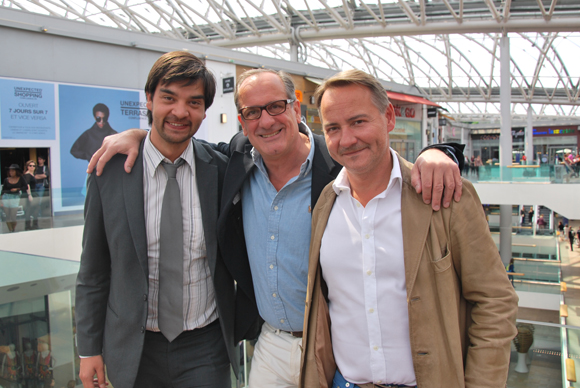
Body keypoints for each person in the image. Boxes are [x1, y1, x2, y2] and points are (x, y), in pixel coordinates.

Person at [87, 69, 465, 388]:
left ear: (296, 108)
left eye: (276, 106)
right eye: (252, 112)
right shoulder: (236, 163)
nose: (265, 120)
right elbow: (176, 142)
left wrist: (438, 153)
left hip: (332, 344)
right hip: (267, 343)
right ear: (242, 122)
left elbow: (374, 156)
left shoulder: (338, 171)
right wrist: (138, 135)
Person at [300, 70, 518, 388]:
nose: (346, 139)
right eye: (333, 128)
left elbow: (495, 301)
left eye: (358, 122)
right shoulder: (326, 204)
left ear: (388, 117)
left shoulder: (443, 197)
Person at [75, 51, 238, 388]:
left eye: (193, 102)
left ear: (204, 111)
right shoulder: (109, 174)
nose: (180, 112)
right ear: (149, 99)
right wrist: (88, 349)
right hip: (133, 348)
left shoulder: (222, 171)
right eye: (168, 98)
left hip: (205, 348)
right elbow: (93, 270)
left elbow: (264, 139)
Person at [1, 164, 31, 233]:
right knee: (7, 216)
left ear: (16, 171)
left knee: (13, 216)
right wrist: (1, 199)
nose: (11, 172)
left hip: (15, 198)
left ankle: (13, 229)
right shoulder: (6, 180)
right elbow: (3, 190)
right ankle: (11, 230)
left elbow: (25, 187)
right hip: (6, 197)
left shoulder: (21, 178)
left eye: (13, 171)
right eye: (10, 171)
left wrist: (17, 189)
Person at [23, 160, 40, 230]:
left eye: (33, 166)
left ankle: (34, 225)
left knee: (36, 209)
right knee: (29, 210)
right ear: (27, 166)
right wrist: (30, 195)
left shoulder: (32, 174)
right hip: (30, 194)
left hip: (34, 193)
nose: (32, 167)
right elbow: (27, 185)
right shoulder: (27, 175)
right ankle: (28, 226)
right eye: (30, 165)